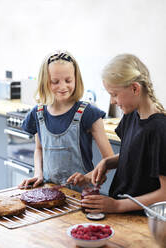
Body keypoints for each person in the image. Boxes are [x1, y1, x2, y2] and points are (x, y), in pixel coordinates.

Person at [67, 54, 166, 212]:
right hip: (123, 212)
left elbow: (164, 194)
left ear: (135, 88)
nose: (112, 101)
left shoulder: (160, 129)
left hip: (142, 219)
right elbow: (137, 155)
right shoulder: (130, 116)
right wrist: (107, 163)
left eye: (114, 94)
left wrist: (117, 205)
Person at [18, 51, 113, 191]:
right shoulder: (38, 113)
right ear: (45, 82)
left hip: (82, 195)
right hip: (48, 191)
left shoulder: (88, 113)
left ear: (76, 79)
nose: (62, 87)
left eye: (68, 81)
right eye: (55, 82)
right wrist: (38, 174)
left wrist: (87, 177)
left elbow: (109, 160)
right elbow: (39, 149)